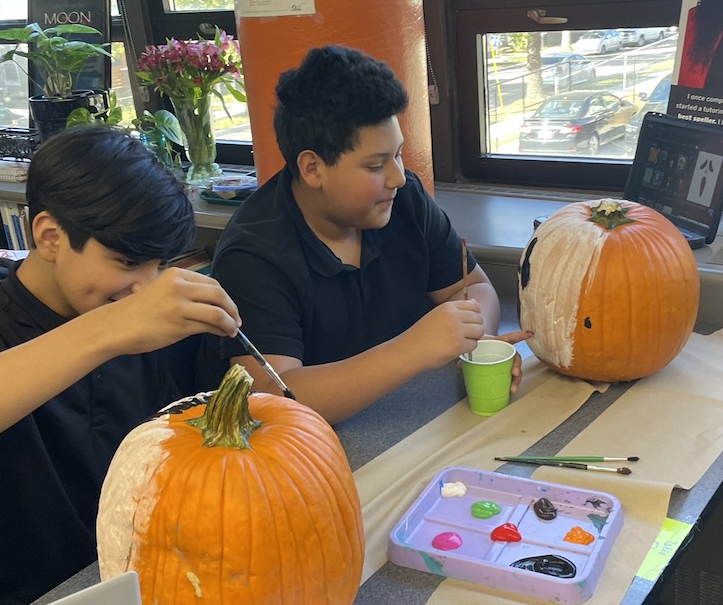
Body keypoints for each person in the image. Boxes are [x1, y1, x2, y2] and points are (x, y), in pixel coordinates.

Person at [0, 127, 240, 605]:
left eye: (160, 266)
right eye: (129, 261)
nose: (146, 288)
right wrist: (109, 331)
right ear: (49, 236)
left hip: (145, 591)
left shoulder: (146, 324)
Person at [212, 45, 531, 425]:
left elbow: (472, 286)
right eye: (376, 165)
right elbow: (273, 397)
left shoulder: (404, 199)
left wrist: (473, 340)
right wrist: (412, 350)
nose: (397, 177)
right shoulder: (254, 257)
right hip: (314, 452)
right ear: (313, 168)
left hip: (416, 417)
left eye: (397, 155)